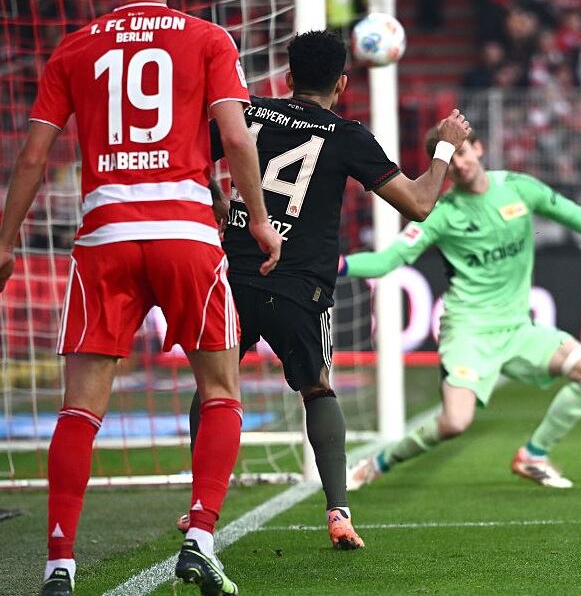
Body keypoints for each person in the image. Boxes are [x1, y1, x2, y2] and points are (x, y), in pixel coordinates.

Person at [0, 0, 282, 596]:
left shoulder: (75, 47)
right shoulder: (208, 38)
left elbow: (33, 154)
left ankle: (59, 564)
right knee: (221, 390)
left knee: (81, 408)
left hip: (105, 236)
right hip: (185, 234)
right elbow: (235, 140)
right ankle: (201, 535)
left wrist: (3, 245)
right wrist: (259, 221)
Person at [179, 29, 471, 550]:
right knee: (317, 388)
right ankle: (338, 511)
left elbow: (186, 157)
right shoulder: (347, 135)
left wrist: (217, 203)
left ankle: (199, 507)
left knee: (214, 388)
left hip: (238, 273)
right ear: (342, 83)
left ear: (287, 78)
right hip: (301, 287)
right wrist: (446, 145)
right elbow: (421, 204)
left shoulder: (247, 113)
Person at [345, 129, 581, 491]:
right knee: (455, 423)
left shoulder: (519, 188)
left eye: (463, 153)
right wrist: (336, 265)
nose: (459, 164)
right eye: (449, 160)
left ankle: (534, 455)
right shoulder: (441, 214)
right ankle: (377, 463)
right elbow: (386, 261)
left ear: (478, 148)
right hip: (468, 330)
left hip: (518, 329)